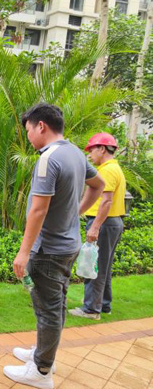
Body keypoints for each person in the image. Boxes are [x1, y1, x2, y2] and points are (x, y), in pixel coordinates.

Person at [3, 103, 104, 389]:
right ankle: (43, 354)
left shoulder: (48, 158)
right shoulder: (75, 153)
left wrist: (24, 252)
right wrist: (75, 213)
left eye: (28, 131)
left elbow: (38, 210)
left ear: (41, 126)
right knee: (56, 304)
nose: (28, 137)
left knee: (48, 309)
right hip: (68, 245)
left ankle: (42, 370)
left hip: (48, 249)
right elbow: (98, 185)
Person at [69, 133, 126, 320]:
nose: (90, 154)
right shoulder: (114, 168)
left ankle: (91, 309)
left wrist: (95, 227)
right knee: (104, 266)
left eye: (92, 150)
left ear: (102, 149)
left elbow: (106, 202)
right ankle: (104, 305)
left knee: (94, 265)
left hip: (103, 222)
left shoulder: (107, 170)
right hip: (113, 222)